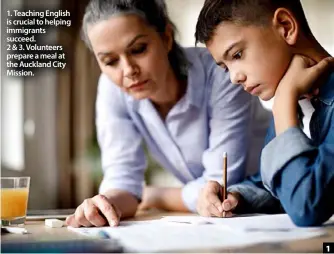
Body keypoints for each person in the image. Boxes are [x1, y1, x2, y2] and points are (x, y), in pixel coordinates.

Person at [65, 0, 270, 228]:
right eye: (110, 61)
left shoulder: (221, 71)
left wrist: (158, 196)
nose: (128, 70)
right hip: (218, 220)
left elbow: (221, 183)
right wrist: (104, 204)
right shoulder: (113, 89)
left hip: (269, 201)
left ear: (166, 37)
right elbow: (122, 179)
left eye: (139, 49)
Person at [195, 0, 334, 226]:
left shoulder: (285, 105)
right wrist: (235, 197)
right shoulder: (293, 105)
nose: (233, 77)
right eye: (225, 67)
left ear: (286, 26)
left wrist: (284, 105)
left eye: (238, 54)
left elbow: (306, 207)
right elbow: (276, 184)